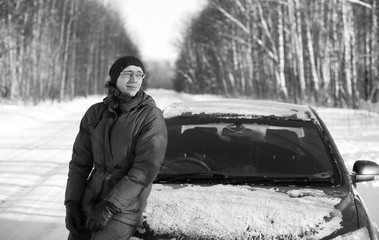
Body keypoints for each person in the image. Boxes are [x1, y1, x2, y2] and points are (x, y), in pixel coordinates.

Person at [64, 56, 168, 240]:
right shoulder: (95, 113)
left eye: (139, 74)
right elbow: (80, 164)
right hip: (89, 204)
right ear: (114, 77)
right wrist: (72, 204)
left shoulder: (150, 116)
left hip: (124, 210)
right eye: (127, 73)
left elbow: (145, 169)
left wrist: (109, 206)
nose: (134, 79)